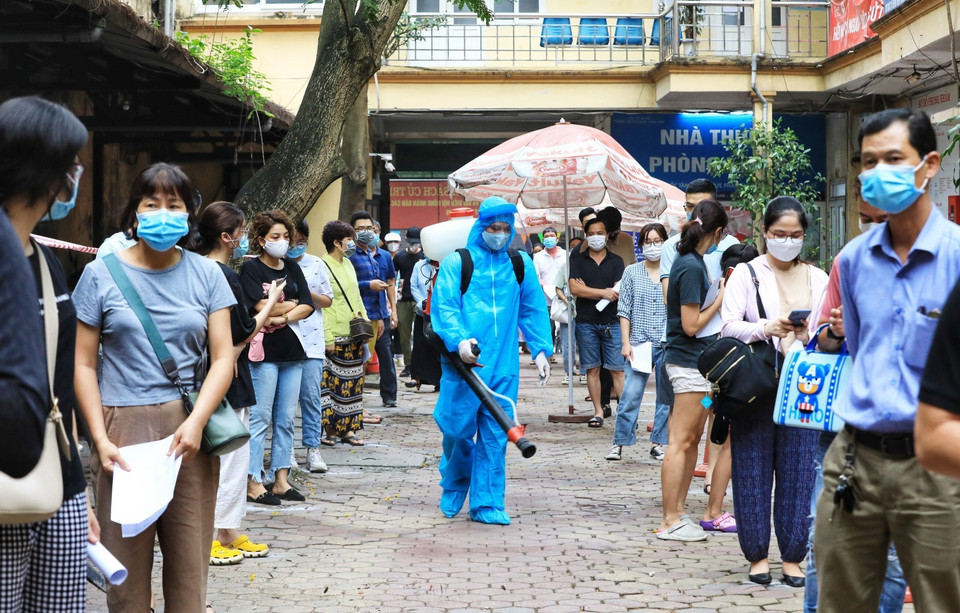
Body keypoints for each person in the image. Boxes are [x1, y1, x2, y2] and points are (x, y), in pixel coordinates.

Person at [813, 108, 960, 612]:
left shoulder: (956, 259)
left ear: (929, 165)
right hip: (855, 458)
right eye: (869, 162)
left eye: (894, 159)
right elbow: (859, 347)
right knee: (840, 599)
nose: (879, 173)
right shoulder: (853, 260)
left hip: (936, 467)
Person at [74, 162, 236, 611]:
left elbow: (224, 357)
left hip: (189, 434)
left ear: (189, 215)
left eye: (174, 205)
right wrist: (99, 439)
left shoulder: (208, 275)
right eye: (151, 204)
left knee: (189, 577)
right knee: (125, 582)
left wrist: (198, 421)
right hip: (121, 436)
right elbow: (82, 364)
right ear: (134, 213)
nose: (162, 214)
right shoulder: (101, 274)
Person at [0, 96, 92, 612]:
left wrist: (77, 491)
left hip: (58, 481)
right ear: (44, 170)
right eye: (72, 164)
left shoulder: (44, 261)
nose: (76, 176)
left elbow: (60, 380)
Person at [804, 192, 906, 612]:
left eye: (882, 218)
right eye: (866, 218)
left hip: (908, 431)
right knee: (824, 538)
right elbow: (821, 341)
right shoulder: (848, 261)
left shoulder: (939, 264)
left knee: (894, 553)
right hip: (844, 425)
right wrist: (837, 331)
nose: (873, 228)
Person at [720, 196, 827, 586]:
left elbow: (829, 333)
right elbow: (728, 326)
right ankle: (758, 556)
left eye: (795, 235)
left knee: (800, 472)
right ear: (765, 232)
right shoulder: (746, 274)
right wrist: (765, 328)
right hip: (756, 386)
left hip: (804, 389)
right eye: (779, 233)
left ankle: (793, 557)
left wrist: (808, 334)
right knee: (751, 469)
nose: (787, 241)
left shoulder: (818, 278)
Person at [431, 196, 552, 525]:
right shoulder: (458, 262)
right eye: (493, 228)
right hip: (464, 365)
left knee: (496, 435)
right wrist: (459, 340)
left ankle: (487, 502)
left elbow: (532, 308)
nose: (499, 234)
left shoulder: (519, 263)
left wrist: (541, 349)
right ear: (481, 227)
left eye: (505, 228)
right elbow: (445, 307)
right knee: (456, 430)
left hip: (503, 366)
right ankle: (456, 480)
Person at [192, 201, 284, 564]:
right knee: (230, 458)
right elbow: (243, 331)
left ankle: (228, 531)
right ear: (227, 237)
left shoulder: (191, 269)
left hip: (198, 375)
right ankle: (214, 535)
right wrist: (271, 302)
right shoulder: (223, 276)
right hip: (226, 378)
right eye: (241, 232)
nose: (244, 238)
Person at [660, 178, 739, 500]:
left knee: (692, 438)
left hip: (698, 367)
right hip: (689, 364)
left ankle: (678, 509)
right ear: (718, 232)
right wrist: (720, 300)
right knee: (682, 440)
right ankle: (671, 515)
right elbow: (691, 325)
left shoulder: (688, 259)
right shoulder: (691, 265)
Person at [240, 210, 315, 505]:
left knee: (285, 419)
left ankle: (281, 478)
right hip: (262, 354)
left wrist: (280, 316)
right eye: (275, 236)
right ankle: (253, 481)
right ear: (261, 240)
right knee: (259, 418)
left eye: (285, 236)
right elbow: (257, 305)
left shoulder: (293, 268)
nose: (282, 241)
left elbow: (307, 305)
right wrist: (288, 305)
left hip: (292, 351)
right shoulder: (251, 269)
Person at [605, 223, 670, 462]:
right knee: (630, 395)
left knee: (665, 399)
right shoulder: (631, 272)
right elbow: (624, 310)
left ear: (665, 243)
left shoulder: (672, 272)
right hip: (638, 342)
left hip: (665, 342)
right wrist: (625, 342)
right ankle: (619, 442)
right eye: (648, 242)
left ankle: (658, 443)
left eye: (657, 241)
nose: (653, 246)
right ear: (641, 245)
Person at [287, 220, 335, 473]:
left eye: (301, 241)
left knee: (311, 397)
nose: (296, 246)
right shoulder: (276, 264)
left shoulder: (317, 264)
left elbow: (327, 300)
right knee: (285, 402)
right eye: (291, 241)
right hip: (284, 339)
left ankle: (312, 449)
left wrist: (308, 295)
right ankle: (286, 451)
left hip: (312, 342)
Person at [569, 216, 625, 427]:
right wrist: (603, 292)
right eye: (591, 234)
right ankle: (598, 412)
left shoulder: (617, 261)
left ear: (607, 235)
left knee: (617, 369)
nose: (595, 237)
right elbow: (574, 289)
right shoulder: (577, 260)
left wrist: (588, 290)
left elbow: (618, 291)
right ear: (585, 236)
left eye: (599, 233)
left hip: (613, 322)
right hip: (586, 322)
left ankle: (625, 414)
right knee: (592, 369)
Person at [320, 220, 368, 446]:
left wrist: (365, 323)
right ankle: (330, 430)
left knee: (353, 385)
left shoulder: (348, 263)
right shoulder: (323, 265)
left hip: (354, 333)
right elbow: (322, 306)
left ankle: (348, 430)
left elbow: (356, 296)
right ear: (336, 243)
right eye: (349, 239)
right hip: (334, 335)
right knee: (332, 386)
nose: (352, 243)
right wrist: (327, 336)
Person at [350, 211, 398, 409]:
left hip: (381, 314)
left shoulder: (383, 256)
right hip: (360, 316)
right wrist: (368, 285)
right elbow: (348, 285)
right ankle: (355, 399)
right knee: (360, 359)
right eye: (360, 229)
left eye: (369, 228)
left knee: (387, 357)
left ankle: (389, 396)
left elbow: (390, 282)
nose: (366, 232)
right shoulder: (350, 255)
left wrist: (393, 311)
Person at [393, 226, 425, 378]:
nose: (414, 245)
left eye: (416, 242)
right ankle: (409, 365)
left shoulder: (424, 256)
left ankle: (421, 365)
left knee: (421, 334)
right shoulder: (399, 257)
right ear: (406, 240)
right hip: (404, 299)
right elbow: (392, 278)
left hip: (420, 299)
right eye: (411, 242)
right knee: (404, 335)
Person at [407, 256, 442, 391]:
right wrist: (422, 302)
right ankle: (417, 377)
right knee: (420, 344)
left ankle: (439, 381)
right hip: (422, 311)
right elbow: (414, 286)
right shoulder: (419, 266)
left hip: (439, 313)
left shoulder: (445, 264)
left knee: (438, 346)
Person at [554, 236, 584, 384]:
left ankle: (584, 372)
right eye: (572, 246)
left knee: (585, 344)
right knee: (567, 344)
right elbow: (558, 288)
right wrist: (566, 300)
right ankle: (568, 371)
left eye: (578, 246)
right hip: (568, 311)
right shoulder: (565, 266)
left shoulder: (589, 266)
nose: (575, 249)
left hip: (585, 311)